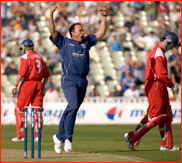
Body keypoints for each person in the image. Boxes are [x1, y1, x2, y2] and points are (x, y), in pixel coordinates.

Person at [49, 5, 107, 153]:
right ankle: (68, 138)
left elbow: (100, 33)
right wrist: (51, 15)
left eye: (83, 30)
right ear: (72, 34)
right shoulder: (64, 42)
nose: (83, 32)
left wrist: (104, 17)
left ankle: (59, 137)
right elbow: (52, 31)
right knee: (73, 106)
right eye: (80, 30)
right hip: (69, 80)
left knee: (72, 109)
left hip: (82, 81)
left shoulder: (87, 41)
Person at [124, 32, 180, 151]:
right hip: (155, 85)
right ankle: (132, 137)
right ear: (167, 41)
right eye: (171, 45)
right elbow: (160, 74)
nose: (170, 48)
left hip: (159, 85)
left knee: (166, 115)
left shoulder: (158, 51)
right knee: (156, 116)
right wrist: (172, 85)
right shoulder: (158, 53)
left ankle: (167, 145)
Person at [10, 39, 50, 142]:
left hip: (28, 83)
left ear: (24, 48)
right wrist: (43, 86)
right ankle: (37, 136)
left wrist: (15, 85)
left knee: (20, 108)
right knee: (38, 109)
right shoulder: (40, 57)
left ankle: (22, 136)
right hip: (39, 84)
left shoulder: (25, 57)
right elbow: (46, 75)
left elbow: (22, 72)